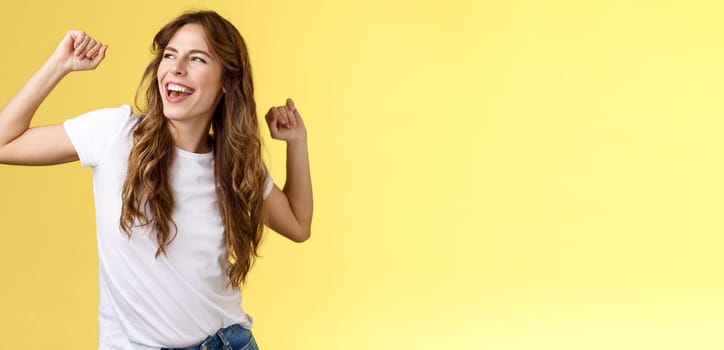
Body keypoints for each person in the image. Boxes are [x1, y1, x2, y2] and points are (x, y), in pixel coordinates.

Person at [0, 10, 312, 350]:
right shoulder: (115, 134)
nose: (176, 69)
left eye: (197, 58)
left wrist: (297, 142)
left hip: (230, 341)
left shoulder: (235, 166)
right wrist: (59, 65)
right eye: (169, 55)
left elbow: (298, 225)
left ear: (228, 81)